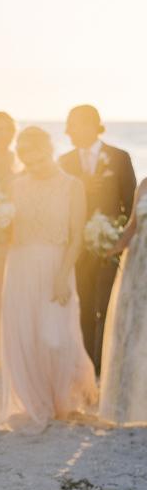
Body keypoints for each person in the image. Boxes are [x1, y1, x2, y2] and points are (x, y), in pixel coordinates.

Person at [0, 127, 97, 433]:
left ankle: (64, 401)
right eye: (28, 162)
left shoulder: (72, 186)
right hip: (20, 267)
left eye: (39, 160)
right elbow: (9, 231)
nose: (34, 167)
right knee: (24, 335)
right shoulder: (15, 184)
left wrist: (63, 275)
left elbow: (77, 236)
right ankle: (34, 401)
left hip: (56, 265)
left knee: (56, 337)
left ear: (49, 151)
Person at [59, 105, 136, 373]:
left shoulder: (120, 157)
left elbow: (131, 204)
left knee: (107, 307)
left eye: (75, 124)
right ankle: (86, 368)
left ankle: (106, 368)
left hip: (110, 247)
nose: (70, 130)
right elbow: (58, 205)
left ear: (92, 125)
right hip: (76, 250)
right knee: (81, 307)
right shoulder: (65, 162)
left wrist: (119, 239)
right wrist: (81, 185)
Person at [99, 178, 147, 425]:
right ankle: (128, 405)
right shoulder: (144, 185)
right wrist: (108, 245)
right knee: (133, 328)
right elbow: (132, 226)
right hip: (138, 265)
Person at [0, 112, 21, 370]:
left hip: (16, 237)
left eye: (8, 129)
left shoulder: (20, 162)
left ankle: (12, 352)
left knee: (13, 296)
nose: (4, 134)